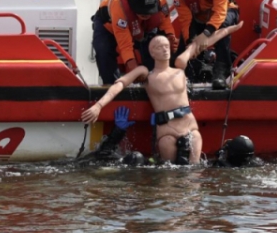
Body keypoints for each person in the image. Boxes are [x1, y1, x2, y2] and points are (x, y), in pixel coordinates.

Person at [81, 24, 242, 164]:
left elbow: (200, 43)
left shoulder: (180, 66)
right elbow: (120, 84)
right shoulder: (146, 74)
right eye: (159, 47)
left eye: (166, 46)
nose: (164, 49)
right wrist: (98, 105)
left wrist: (230, 29)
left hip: (189, 125)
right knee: (168, 176)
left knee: (194, 174)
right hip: (166, 130)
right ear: (152, 53)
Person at [171, 0, 239, 89]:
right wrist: (190, 42)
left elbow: (220, 11)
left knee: (223, 27)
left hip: (226, 12)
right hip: (199, 18)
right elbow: (185, 21)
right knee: (186, 42)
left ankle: (221, 71)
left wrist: (205, 34)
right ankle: (193, 72)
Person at [91, 0, 178, 84]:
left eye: (149, 12)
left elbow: (166, 23)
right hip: (108, 26)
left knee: (153, 47)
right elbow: (125, 45)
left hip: (144, 27)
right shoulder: (119, 10)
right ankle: (112, 85)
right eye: (142, 12)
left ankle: (153, 82)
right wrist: (133, 67)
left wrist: (171, 37)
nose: (146, 15)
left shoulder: (160, 0)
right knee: (103, 50)